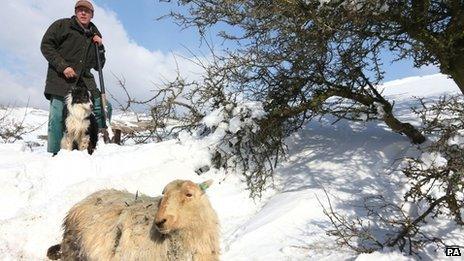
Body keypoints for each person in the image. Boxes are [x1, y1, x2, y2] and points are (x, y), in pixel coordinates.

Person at [41, 0, 111, 155]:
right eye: (80, 10)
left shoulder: (94, 36)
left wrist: (100, 47)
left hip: (84, 83)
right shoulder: (62, 26)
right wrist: (63, 66)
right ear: (75, 12)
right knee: (57, 118)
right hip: (61, 80)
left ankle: (97, 146)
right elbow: (46, 45)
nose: (83, 13)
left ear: (92, 15)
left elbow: (99, 66)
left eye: (87, 11)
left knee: (104, 107)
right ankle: (54, 154)